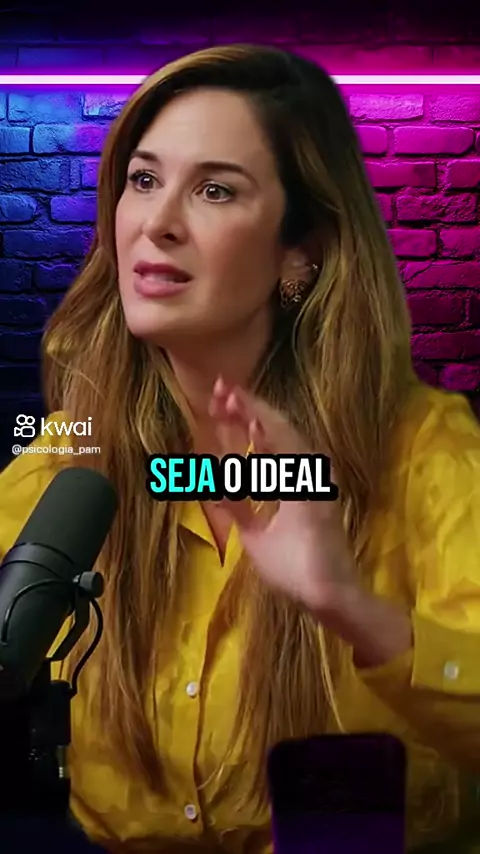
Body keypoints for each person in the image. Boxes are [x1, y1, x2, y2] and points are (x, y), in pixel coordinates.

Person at [0, 42, 479, 854]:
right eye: (143, 180)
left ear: (302, 249)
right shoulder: (72, 460)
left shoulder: (426, 451)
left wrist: (349, 606)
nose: (156, 223)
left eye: (214, 189)